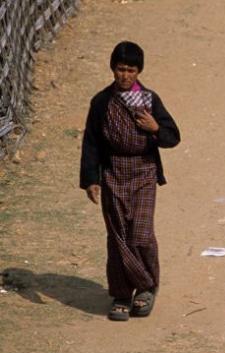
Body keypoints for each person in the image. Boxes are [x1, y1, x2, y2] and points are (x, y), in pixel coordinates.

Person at [79, 41, 180, 321]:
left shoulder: (149, 100)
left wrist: (155, 128)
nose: (125, 75)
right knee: (118, 237)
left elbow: (173, 137)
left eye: (131, 70)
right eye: (120, 69)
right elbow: (91, 142)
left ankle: (148, 286)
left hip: (144, 172)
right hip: (112, 173)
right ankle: (122, 294)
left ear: (139, 72)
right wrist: (91, 179)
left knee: (142, 234)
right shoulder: (101, 102)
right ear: (113, 69)